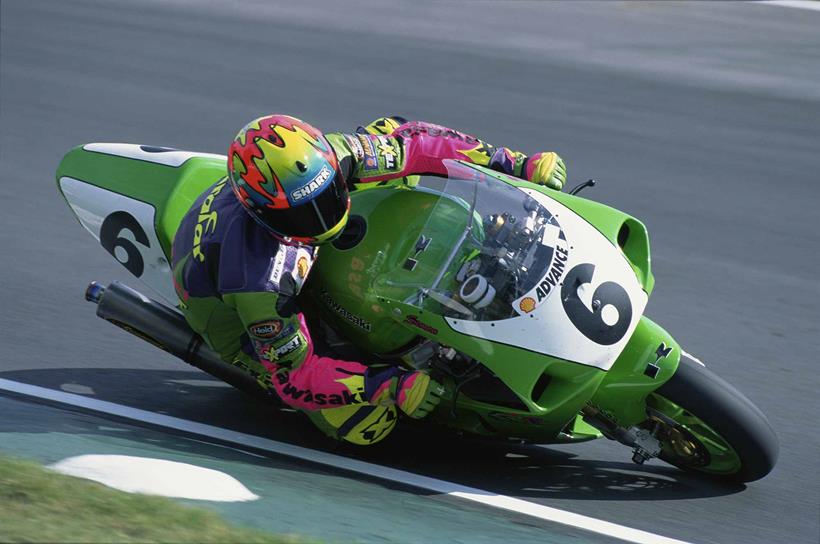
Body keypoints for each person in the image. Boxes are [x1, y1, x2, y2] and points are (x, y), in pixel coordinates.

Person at [171, 114, 566, 445]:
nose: (321, 219)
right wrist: (389, 385)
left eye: (326, 196)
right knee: (366, 425)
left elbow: (419, 144)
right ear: (262, 213)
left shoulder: (337, 154)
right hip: (229, 315)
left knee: (388, 128)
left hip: (304, 243)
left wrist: (511, 163)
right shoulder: (256, 280)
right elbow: (296, 376)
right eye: (300, 214)